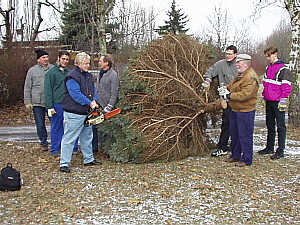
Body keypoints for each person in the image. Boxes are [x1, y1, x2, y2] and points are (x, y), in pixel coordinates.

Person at [59, 52, 101, 173]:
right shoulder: (72, 77)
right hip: (74, 113)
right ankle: (64, 163)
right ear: (78, 63)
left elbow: (93, 90)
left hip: (86, 112)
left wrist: (94, 100)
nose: (88, 65)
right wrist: (90, 102)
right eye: (85, 63)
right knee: (69, 138)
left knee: (87, 137)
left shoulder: (88, 76)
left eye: (88, 63)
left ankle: (88, 159)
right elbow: (75, 94)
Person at [219, 54, 259, 167]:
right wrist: (225, 89)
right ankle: (235, 155)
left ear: (245, 63)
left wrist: (229, 95)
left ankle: (247, 159)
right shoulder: (240, 74)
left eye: (238, 62)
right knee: (235, 134)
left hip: (245, 111)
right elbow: (231, 86)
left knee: (245, 135)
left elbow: (245, 95)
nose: (236, 64)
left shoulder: (251, 77)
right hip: (235, 109)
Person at [202, 45, 237, 157]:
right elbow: (211, 71)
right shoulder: (220, 64)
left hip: (238, 99)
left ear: (235, 54)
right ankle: (222, 147)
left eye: (230, 54)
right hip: (225, 99)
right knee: (226, 123)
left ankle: (235, 146)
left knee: (237, 124)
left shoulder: (239, 65)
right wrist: (207, 80)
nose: (228, 56)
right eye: (226, 53)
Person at [258, 46, 293, 160]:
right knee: (270, 125)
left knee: (281, 126)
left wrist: (283, 100)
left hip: (278, 102)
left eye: (269, 55)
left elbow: (286, 86)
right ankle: (269, 147)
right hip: (269, 101)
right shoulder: (269, 67)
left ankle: (280, 150)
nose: (268, 58)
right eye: (267, 56)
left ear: (275, 54)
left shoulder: (283, 69)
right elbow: (266, 83)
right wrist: (264, 96)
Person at [44, 50, 79, 157]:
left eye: (67, 59)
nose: (65, 61)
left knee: (70, 126)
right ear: (58, 58)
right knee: (57, 127)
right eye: (63, 59)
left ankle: (72, 148)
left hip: (69, 104)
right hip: (57, 104)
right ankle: (55, 149)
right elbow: (48, 91)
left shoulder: (69, 72)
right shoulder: (51, 73)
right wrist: (49, 106)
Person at [24, 49, 54, 151]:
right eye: (43, 57)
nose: (46, 59)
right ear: (38, 60)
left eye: (47, 57)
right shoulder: (32, 71)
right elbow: (27, 87)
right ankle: (43, 142)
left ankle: (56, 142)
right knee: (40, 124)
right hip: (37, 103)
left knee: (55, 122)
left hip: (51, 102)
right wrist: (27, 102)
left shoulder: (53, 69)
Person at [92, 54, 120, 153]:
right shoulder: (101, 73)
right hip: (98, 105)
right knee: (94, 127)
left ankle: (106, 150)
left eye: (100, 61)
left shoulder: (113, 75)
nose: (99, 63)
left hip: (106, 106)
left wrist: (109, 107)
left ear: (106, 63)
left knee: (105, 130)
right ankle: (94, 148)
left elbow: (114, 92)